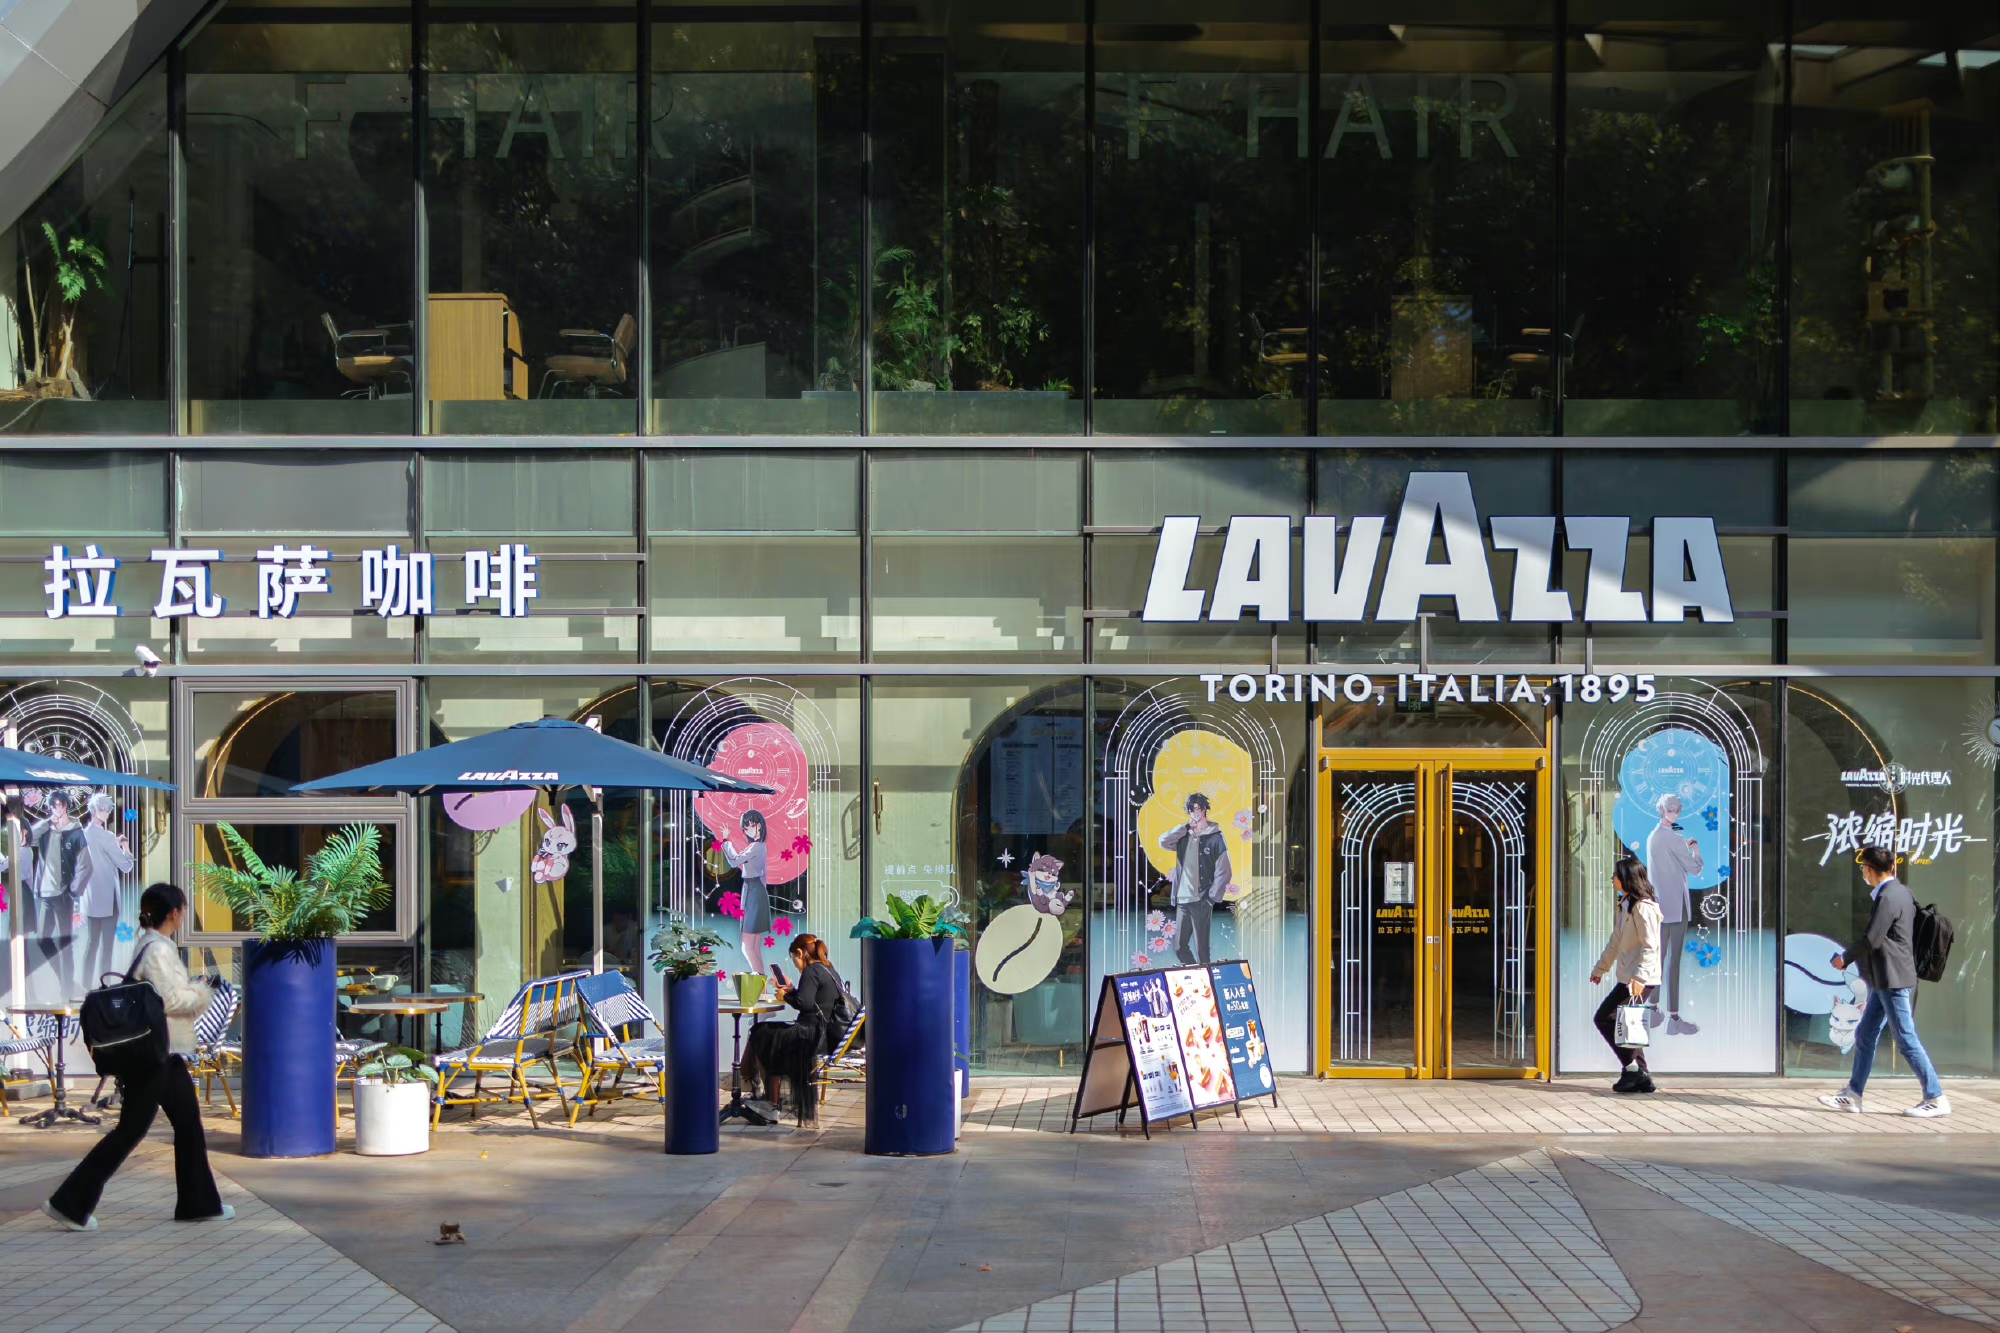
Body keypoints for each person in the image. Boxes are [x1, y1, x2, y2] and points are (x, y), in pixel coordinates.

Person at [43, 882, 232, 1231]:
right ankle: (69, 1203)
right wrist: (201, 990)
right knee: (130, 1130)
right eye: (183, 909)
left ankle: (199, 1204)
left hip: (166, 1051)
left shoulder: (153, 945)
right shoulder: (157, 949)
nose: (183, 915)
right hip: (155, 1053)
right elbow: (169, 1000)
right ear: (174, 913)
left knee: (188, 1124)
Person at [1818, 845, 1949, 1118]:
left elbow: (1872, 939)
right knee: (1865, 1034)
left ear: (1869, 869)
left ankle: (1935, 1097)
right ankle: (1853, 1095)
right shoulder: (1903, 891)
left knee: (1906, 1039)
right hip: (1887, 978)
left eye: (1863, 868)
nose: (1863, 873)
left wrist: (1844, 958)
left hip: (1894, 979)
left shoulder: (1887, 897)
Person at [740, 933, 849, 1127]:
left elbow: (803, 1004)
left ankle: (747, 1082)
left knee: (760, 1032)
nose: (797, 966)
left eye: (794, 960)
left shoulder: (811, 971)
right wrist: (791, 990)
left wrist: (784, 996)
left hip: (809, 1035)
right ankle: (766, 1098)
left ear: (800, 952)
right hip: (824, 1035)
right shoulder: (828, 969)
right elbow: (812, 1000)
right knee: (769, 1036)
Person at [1589, 853, 1664, 1094]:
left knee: (1605, 1017)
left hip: (1640, 978)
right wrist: (1600, 969)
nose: (1612, 879)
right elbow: (1615, 942)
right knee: (1628, 1025)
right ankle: (1638, 1075)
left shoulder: (1643, 908)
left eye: (1616, 875)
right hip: (1629, 977)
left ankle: (1634, 1071)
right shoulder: (1626, 906)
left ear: (1627, 878)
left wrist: (1640, 979)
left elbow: (1650, 947)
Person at [1644, 793, 1703, 1035]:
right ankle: (1674, 1018)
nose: (1676, 813)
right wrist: (1695, 850)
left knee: (1657, 960)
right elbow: (1696, 869)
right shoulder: (1676, 839)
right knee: (1673, 963)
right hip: (1676, 907)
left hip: (1658, 906)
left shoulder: (1652, 837)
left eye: (1677, 809)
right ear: (1665, 810)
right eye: (1673, 810)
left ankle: (1653, 1010)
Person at [28, 789, 88, 996]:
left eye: (59, 804)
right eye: (52, 805)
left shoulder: (76, 832)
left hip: (63, 894)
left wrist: (73, 890)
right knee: (42, 939)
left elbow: (86, 865)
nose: (56, 808)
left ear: (66, 805)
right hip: (45, 893)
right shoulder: (46, 831)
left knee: (64, 942)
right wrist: (47, 822)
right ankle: (67, 981)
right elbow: (28, 837)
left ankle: (67, 990)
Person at [1160, 792, 1231, 966]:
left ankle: (1206, 980)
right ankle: (1196, 975)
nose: (1195, 812)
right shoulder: (1183, 835)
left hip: (1202, 899)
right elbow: (1163, 841)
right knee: (1179, 948)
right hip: (1183, 899)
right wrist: (1184, 827)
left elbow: (1224, 871)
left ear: (1205, 809)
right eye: (1191, 809)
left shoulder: (1215, 837)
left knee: (1202, 951)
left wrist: (1211, 898)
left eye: (1198, 808)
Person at [79, 792, 135, 992]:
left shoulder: (84, 834)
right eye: (103, 809)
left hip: (91, 898)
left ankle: (86, 985)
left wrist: (114, 844)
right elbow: (126, 865)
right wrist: (125, 846)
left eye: (108, 810)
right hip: (108, 898)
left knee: (92, 943)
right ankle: (106, 986)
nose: (107, 813)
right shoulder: (107, 836)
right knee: (107, 946)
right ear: (94, 810)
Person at [722, 809, 771, 975]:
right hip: (755, 891)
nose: (747, 829)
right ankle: (761, 981)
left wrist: (726, 841)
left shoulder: (756, 847)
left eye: (750, 825)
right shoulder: (759, 846)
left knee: (747, 945)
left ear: (759, 826)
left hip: (753, 892)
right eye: (745, 827)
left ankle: (759, 979)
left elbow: (734, 861)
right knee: (753, 945)